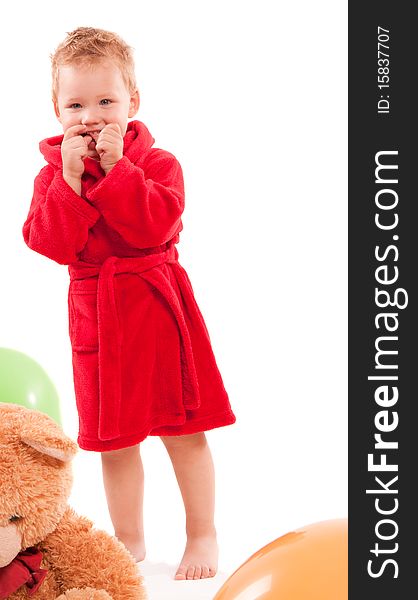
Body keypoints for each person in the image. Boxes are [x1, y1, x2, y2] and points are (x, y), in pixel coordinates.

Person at [22, 26, 236, 581]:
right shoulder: (53, 175)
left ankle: (202, 532)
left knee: (184, 431)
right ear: (56, 110)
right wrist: (69, 182)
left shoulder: (159, 164)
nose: (90, 116)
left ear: (133, 102)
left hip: (159, 311)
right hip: (99, 317)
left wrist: (120, 172)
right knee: (114, 442)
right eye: (75, 104)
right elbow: (49, 243)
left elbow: (156, 225)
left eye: (106, 101)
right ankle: (129, 541)